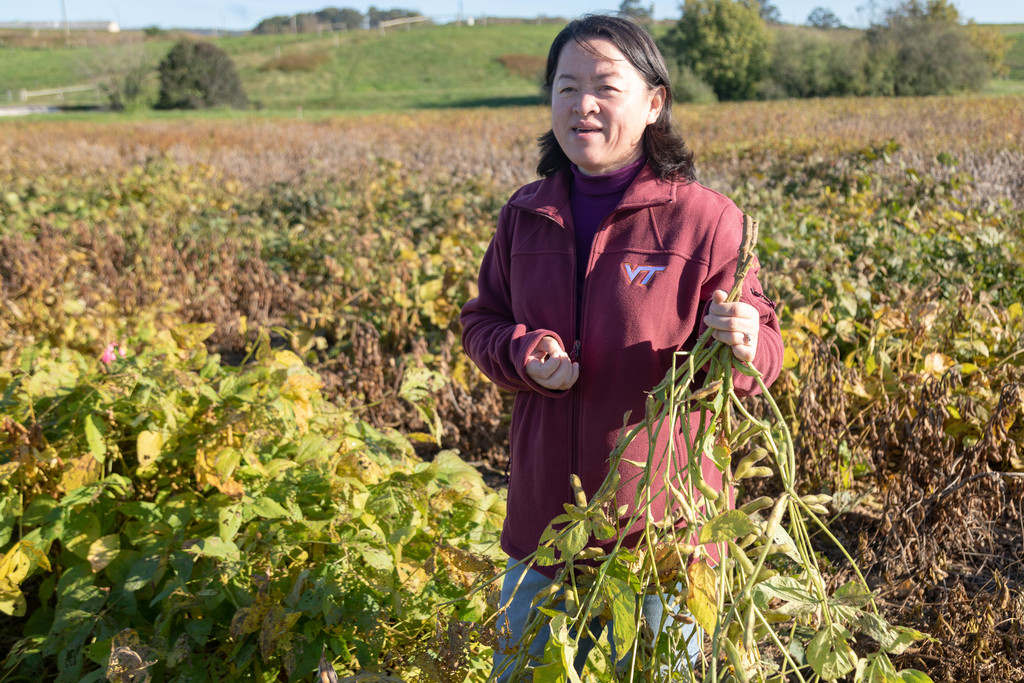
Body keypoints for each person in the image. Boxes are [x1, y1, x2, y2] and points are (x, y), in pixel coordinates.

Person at [459, 14, 783, 680]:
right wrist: (524, 353)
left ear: (654, 102)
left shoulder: (705, 219)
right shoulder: (525, 213)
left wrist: (747, 342)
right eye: (566, 87)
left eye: (606, 86)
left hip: (662, 545)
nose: (583, 104)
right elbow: (481, 321)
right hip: (544, 533)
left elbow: (766, 352)